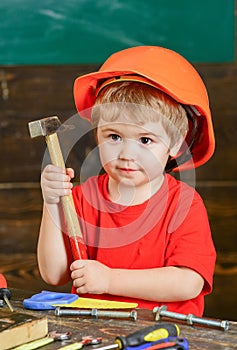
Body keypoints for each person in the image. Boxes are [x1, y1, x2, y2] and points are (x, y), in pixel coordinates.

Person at [38, 46, 216, 316]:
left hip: (162, 335)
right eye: (114, 137)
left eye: (145, 140)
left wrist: (110, 280)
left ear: (175, 144)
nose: (126, 154)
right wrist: (52, 202)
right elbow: (54, 274)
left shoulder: (184, 204)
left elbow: (188, 282)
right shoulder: (82, 199)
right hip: (93, 333)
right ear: (98, 136)